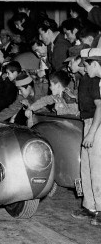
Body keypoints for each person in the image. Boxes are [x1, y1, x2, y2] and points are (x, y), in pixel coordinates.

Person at [71, 48, 101, 226]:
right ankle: (90, 206)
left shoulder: (95, 80)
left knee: (97, 168)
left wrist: (91, 133)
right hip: (89, 122)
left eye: (85, 64)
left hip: (96, 125)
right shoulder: (86, 79)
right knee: (87, 167)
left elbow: (100, 106)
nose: (84, 67)